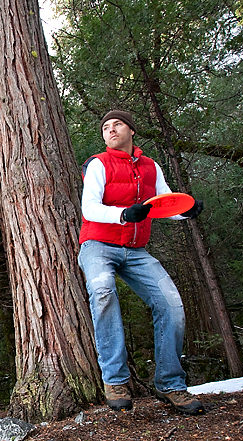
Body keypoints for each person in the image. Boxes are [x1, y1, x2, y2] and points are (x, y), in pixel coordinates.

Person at [77, 110, 206, 416]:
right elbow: (89, 208)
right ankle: (115, 381)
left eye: (117, 125)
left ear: (131, 130)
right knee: (103, 289)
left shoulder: (150, 167)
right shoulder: (99, 164)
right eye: (105, 127)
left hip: (136, 251)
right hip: (97, 245)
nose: (110, 130)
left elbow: (164, 205)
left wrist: (186, 210)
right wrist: (122, 214)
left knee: (171, 303)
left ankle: (170, 383)